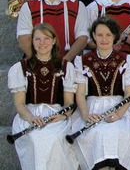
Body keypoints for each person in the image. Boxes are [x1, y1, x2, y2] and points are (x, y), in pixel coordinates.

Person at [70, 16, 130, 170]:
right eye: (99, 35)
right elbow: (80, 94)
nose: (104, 39)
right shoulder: (83, 61)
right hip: (92, 107)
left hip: (121, 107)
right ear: (93, 36)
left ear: (114, 37)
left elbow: (129, 93)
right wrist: (85, 115)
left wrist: (119, 114)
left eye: (108, 35)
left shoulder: (126, 60)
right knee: (95, 134)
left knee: (120, 132)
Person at [8, 23, 78, 170]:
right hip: (29, 114)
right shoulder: (20, 67)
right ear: (32, 42)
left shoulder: (66, 67)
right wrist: (31, 118)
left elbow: (69, 103)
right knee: (36, 137)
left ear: (53, 41)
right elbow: (20, 104)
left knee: (54, 137)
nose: (42, 43)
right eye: (37, 39)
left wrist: (63, 116)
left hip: (57, 115)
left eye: (46, 38)